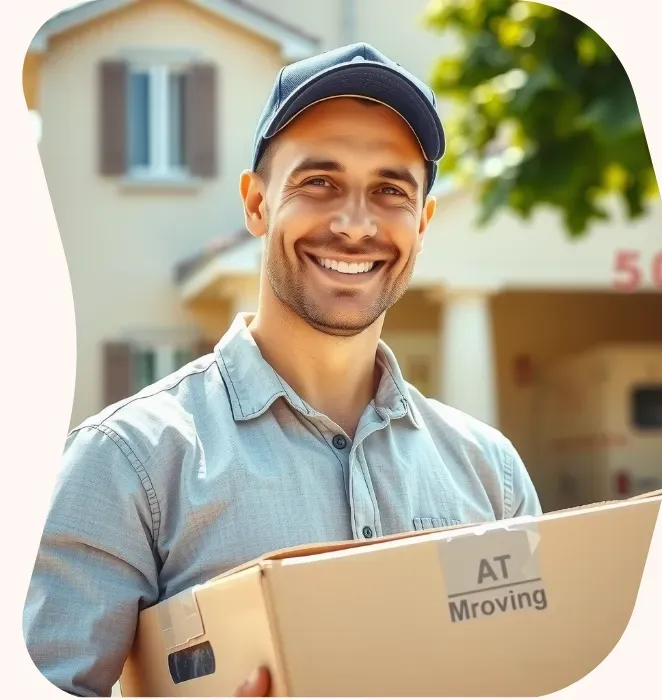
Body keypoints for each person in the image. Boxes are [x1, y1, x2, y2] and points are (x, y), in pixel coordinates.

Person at [23, 42, 541, 697]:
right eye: (318, 182)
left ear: (423, 221)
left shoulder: (491, 473)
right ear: (257, 204)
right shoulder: (128, 464)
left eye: (389, 190)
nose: (356, 225)